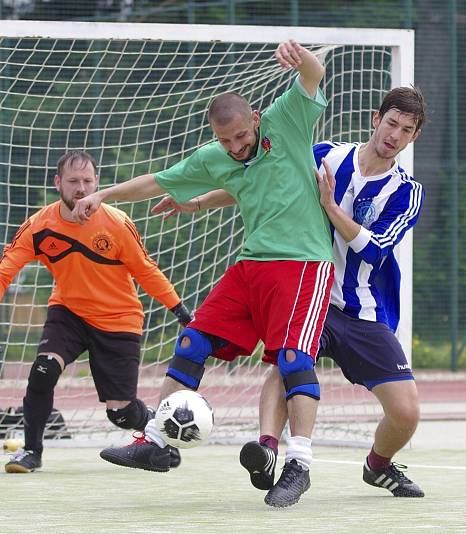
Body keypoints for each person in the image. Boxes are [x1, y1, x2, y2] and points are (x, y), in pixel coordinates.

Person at [70, 40, 334, 508]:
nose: (234, 147)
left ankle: (300, 463)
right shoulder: (215, 157)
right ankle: (156, 442)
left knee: (292, 359)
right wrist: (102, 195)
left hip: (303, 265)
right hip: (251, 266)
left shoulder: (286, 120)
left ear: (254, 119)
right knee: (193, 340)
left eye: (240, 137)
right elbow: (156, 180)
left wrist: (301, 57)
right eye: (225, 140)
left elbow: (314, 75)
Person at [156, 87, 427, 498]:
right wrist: (196, 203)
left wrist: (331, 207)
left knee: (406, 413)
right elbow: (259, 183)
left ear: (414, 137)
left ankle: (378, 465)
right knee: (288, 365)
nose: (394, 134)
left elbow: (375, 249)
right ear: (376, 119)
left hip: (363, 310)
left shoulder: (407, 191)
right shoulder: (324, 155)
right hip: (308, 289)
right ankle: (267, 449)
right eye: (391, 123)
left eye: (406, 130)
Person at [0, 150, 192, 474]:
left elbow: (146, 270)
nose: (80, 188)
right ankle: (31, 452)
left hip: (119, 318)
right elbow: (1, 272)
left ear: (97, 183)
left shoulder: (116, 223)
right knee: (43, 371)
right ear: (58, 183)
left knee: (121, 413)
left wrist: (181, 311)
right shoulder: (40, 225)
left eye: (87, 181)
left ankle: (159, 434)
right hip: (68, 312)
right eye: (73, 181)